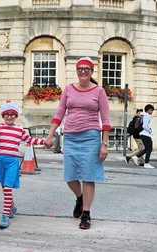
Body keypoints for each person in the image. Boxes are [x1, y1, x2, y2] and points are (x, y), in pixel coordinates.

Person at [45, 57, 110, 230]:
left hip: (91, 137)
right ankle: (80, 198)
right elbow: (59, 113)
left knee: (89, 176)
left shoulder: (99, 91)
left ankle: (86, 214)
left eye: (86, 69)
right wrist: (50, 135)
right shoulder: (68, 89)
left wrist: (104, 144)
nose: (83, 71)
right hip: (71, 137)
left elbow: (105, 119)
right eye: (80, 68)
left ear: (91, 71)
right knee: (70, 176)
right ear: (76, 70)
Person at [0, 100, 46, 229]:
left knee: (7, 188)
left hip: (12, 162)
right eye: (6, 114)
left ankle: (5, 215)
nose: (9, 116)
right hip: (0, 160)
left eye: (12, 114)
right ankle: (11, 207)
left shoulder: (19, 130)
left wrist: (44, 141)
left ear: (16, 116)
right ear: (3, 116)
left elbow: (30, 140)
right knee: (4, 187)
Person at [131, 104, 155, 169]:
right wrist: (150, 130)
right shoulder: (147, 116)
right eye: (150, 110)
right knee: (149, 149)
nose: (151, 112)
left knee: (146, 149)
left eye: (152, 110)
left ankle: (135, 157)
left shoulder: (143, 115)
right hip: (146, 134)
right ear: (147, 110)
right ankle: (146, 163)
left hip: (142, 134)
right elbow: (145, 126)